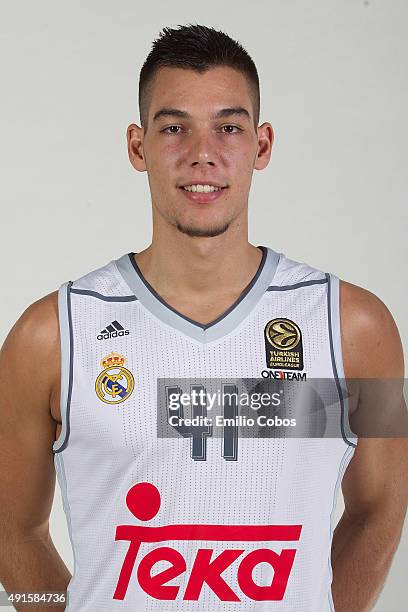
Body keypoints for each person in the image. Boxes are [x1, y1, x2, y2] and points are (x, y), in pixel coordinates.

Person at [0, 23, 407, 612]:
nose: (202, 153)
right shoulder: (49, 337)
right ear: (138, 146)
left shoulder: (357, 329)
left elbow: (380, 510)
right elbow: (13, 531)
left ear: (261, 145)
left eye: (229, 127)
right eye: (173, 128)